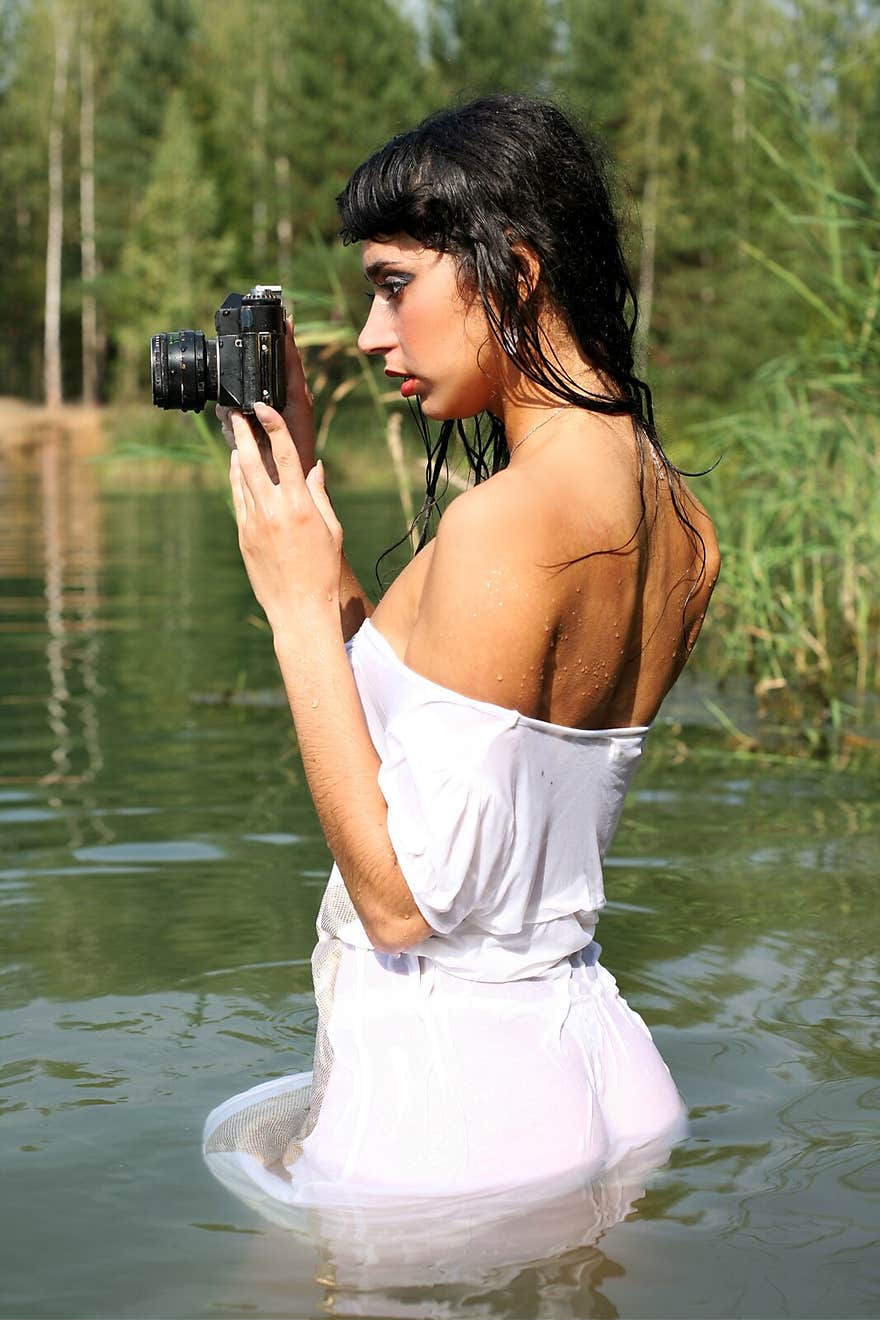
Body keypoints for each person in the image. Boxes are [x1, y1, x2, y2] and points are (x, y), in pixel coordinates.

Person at [203, 96, 720, 1227]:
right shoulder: (680, 517)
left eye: (395, 284)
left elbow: (399, 905)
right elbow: (427, 719)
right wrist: (305, 477)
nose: (376, 334)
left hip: (444, 1109)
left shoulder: (502, 523)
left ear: (515, 271)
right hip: (595, 1070)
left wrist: (293, 614)